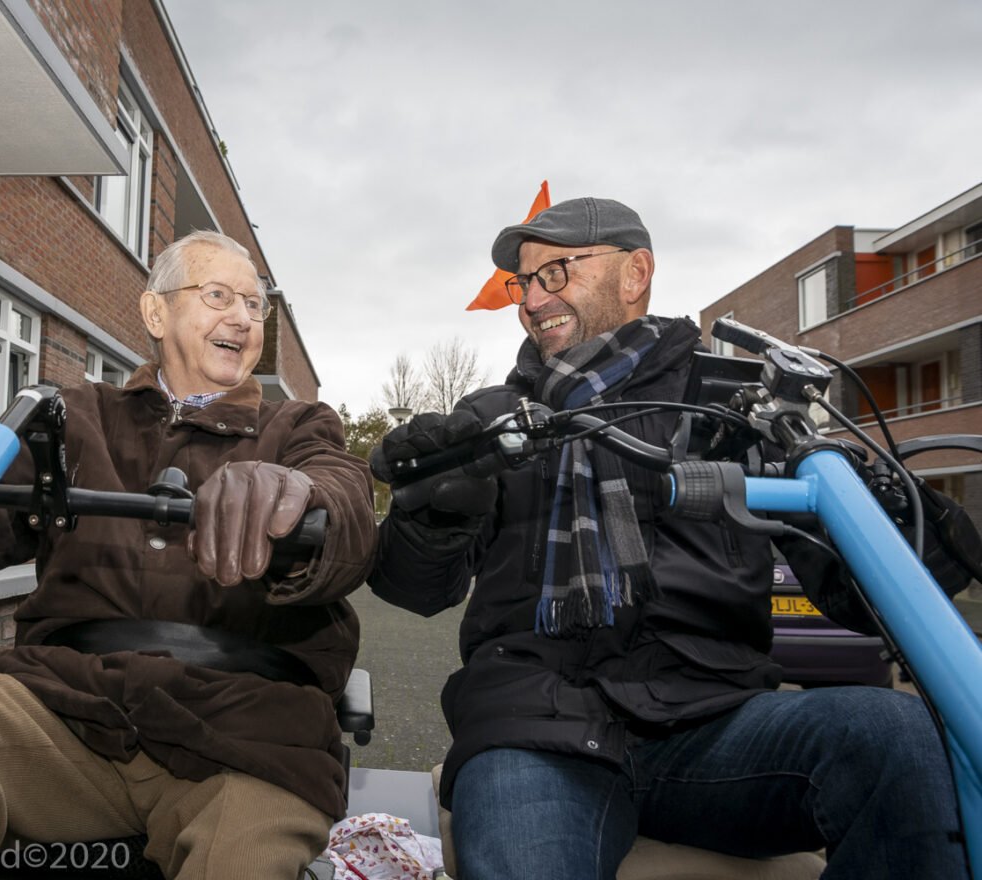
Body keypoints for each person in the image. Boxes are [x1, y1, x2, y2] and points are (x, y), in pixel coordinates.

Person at [368, 198, 968, 879]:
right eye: (523, 283)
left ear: (635, 274)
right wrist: (437, 511)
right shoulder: (497, 420)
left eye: (555, 273)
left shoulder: (733, 410)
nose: (532, 300)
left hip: (714, 726)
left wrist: (897, 514)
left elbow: (856, 594)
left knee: (895, 734)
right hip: (536, 728)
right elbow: (413, 589)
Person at [0, 230, 377, 880]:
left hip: (247, 734)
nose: (241, 317)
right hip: (69, 713)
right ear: (156, 312)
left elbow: (347, 506)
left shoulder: (296, 428)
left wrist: (298, 497)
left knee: (241, 851)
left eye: (253, 306)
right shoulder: (74, 416)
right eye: (217, 295)